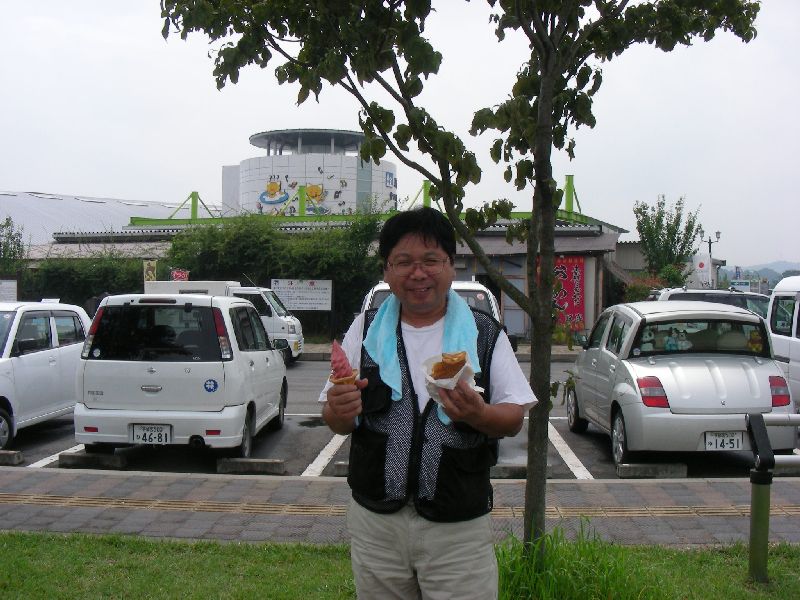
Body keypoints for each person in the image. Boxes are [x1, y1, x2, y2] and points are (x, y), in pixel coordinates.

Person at [319, 206, 536, 599]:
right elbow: (335, 418)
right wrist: (338, 409)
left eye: (431, 260)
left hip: (458, 530)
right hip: (377, 525)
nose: (417, 273)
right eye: (403, 262)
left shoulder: (484, 333)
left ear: (451, 265)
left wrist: (480, 414)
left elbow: (513, 417)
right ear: (387, 270)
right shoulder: (365, 329)